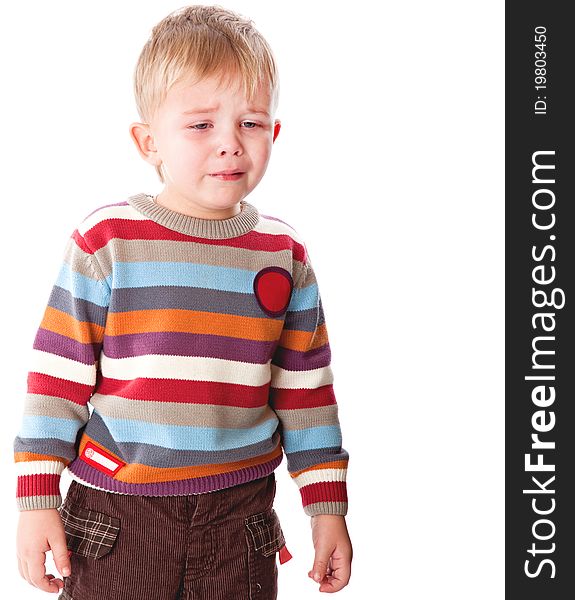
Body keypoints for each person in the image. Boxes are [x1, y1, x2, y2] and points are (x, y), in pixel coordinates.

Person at [14, 5, 352, 599]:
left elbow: (307, 395)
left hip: (239, 517)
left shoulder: (284, 255)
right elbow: (57, 379)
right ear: (149, 141)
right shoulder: (108, 242)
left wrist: (327, 510)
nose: (230, 145)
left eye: (250, 123)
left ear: (274, 133)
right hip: (116, 516)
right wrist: (37, 499)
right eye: (201, 126)